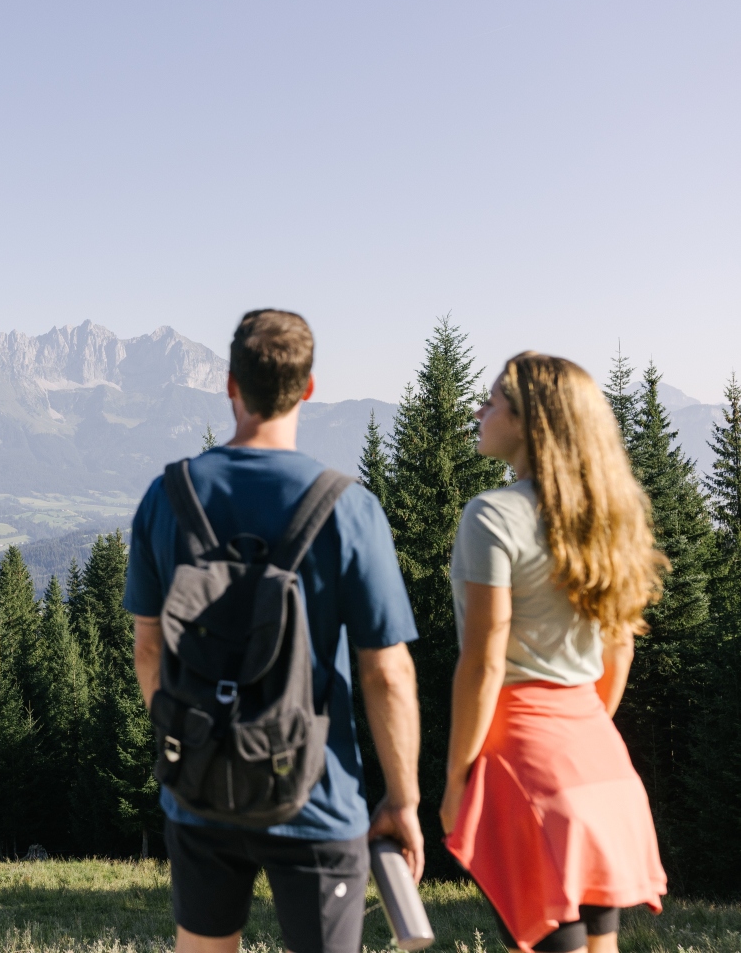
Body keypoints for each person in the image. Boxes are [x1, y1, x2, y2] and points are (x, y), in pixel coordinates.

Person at [127, 309, 424, 953]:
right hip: (316, 795)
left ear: (229, 383)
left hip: (200, 791)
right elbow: (387, 673)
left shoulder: (167, 496)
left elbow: (148, 650)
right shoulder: (348, 506)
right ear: (309, 388)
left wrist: (193, 738)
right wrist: (403, 799)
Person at [442, 352, 668, 953]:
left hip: (525, 763)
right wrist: (578, 733)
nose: (478, 411)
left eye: (491, 401)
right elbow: (618, 650)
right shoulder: (606, 517)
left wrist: (456, 778)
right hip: (600, 760)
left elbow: (485, 661)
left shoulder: (492, 515)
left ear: (528, 421)